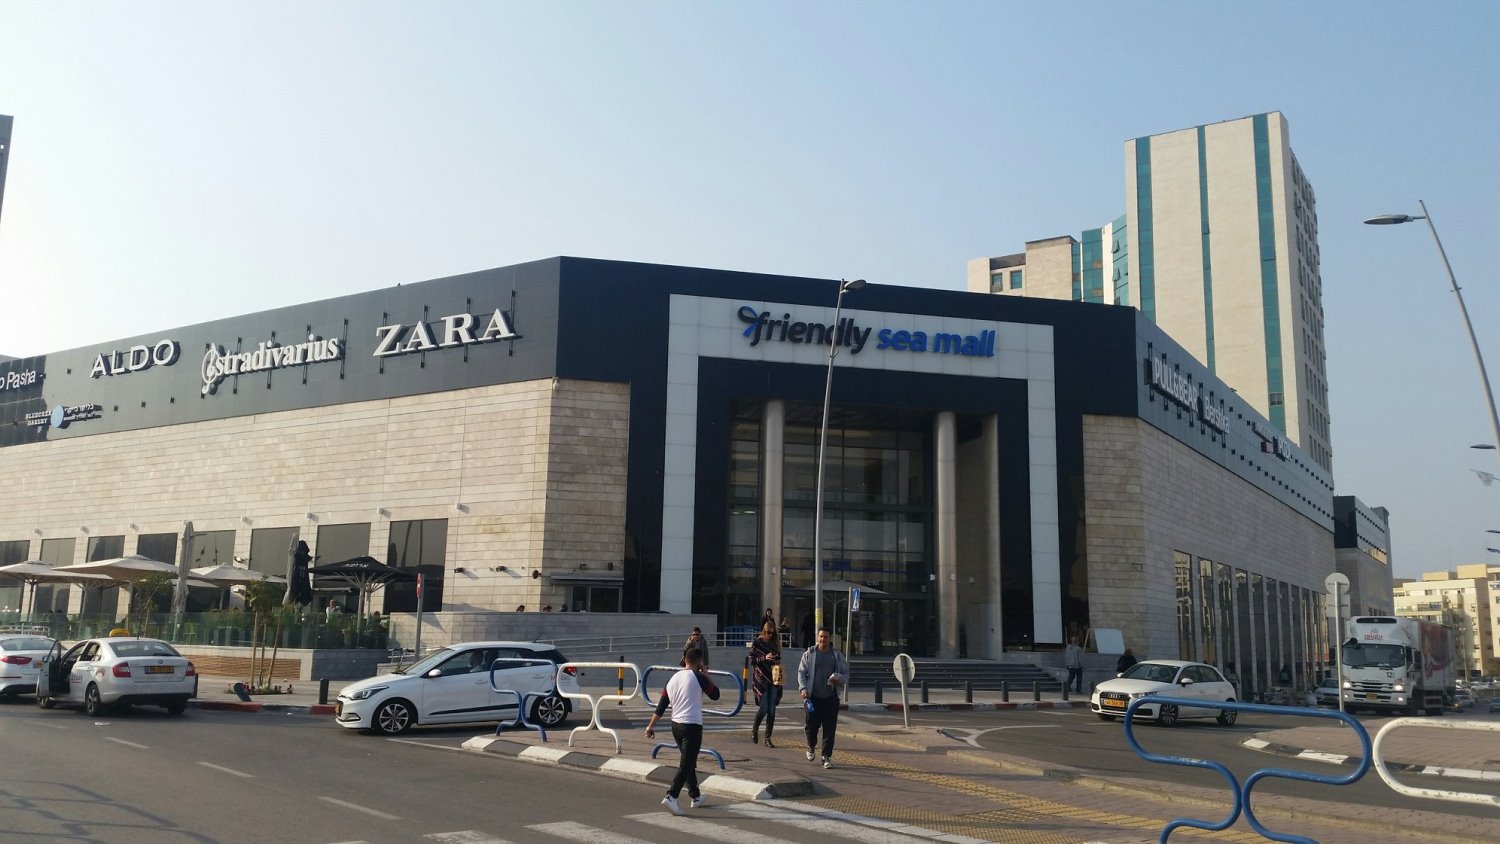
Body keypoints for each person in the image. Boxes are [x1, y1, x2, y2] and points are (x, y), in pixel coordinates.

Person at [644, 647, 720, 815]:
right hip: (692, 725)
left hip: (676, 726)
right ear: (699, 662)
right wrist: (707, 674)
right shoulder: (699, 677)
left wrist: (650, 727)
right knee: (686, 764)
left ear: (685, 660)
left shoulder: (672, 679)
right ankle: (672, 795)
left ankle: (695, 796)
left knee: (689, 761)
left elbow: (661, 707)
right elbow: (716, 694)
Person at [797, 626, 849, 769]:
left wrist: (839, 680)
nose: (822, 639)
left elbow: (846, 673)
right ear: (817, 637)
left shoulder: (836, 655)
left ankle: (826, 756)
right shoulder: (810, 653)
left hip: (831, 697)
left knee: (829, 729)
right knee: (811, 726)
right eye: (820, 636)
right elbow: (801, 672)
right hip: (812, 697)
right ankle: (811, 746)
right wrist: (803, 688)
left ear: (830, 638)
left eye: (825, 637)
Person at [749, 622, 783, 746]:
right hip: (761, 679)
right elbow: (752, 660)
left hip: (774, 677)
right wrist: (764, 658)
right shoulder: (757, 643)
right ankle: (755, 729)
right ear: (764, 631)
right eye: (768, 632)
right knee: (764, 708)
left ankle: (768, 737)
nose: (769, 635)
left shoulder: (775, 644)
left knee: (772, 709)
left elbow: (778, 658)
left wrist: (775, 659)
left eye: (772, 633)